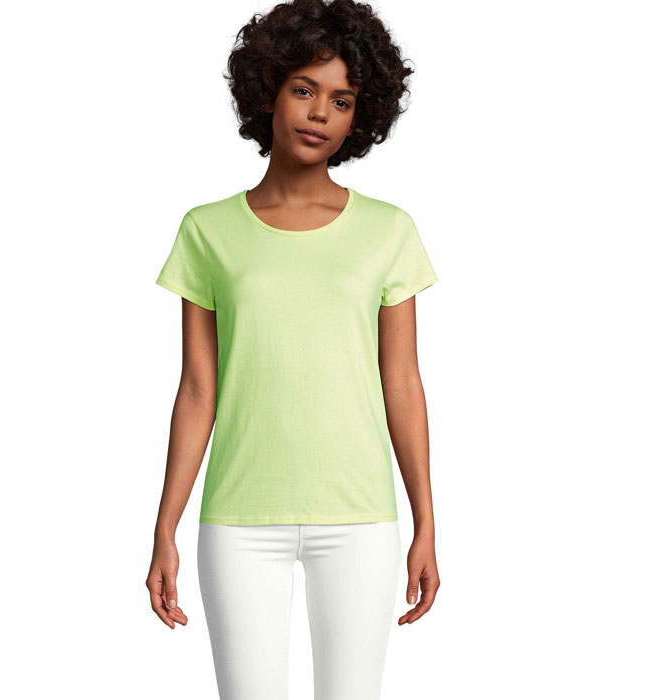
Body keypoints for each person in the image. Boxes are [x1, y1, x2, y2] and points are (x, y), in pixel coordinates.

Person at [146, 0, 441, 697]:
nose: (319, 113)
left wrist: (426, 521)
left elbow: (402, 382)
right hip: (239, 518)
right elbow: (198, 389)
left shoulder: (389, 231)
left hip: (360, 516)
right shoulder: (208, 231)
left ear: (360, 117)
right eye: (304, 89)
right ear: (268, 90)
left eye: (342, 100)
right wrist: (165, 526)